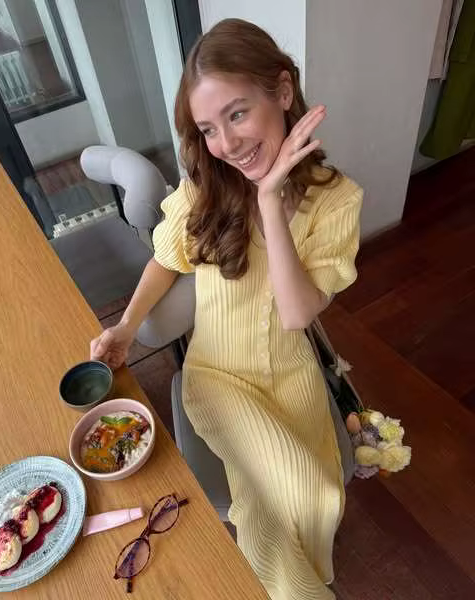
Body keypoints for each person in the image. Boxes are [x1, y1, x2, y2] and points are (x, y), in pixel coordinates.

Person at [90, 18, 362, 600]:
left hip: (292, 377)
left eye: (237, 114)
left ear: (282, 92)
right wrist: (126, 327)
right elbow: (165, 260)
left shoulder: (338, 201)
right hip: (217, 376)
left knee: (318, 498)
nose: (227, 144)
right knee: (296, 494)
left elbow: (297, 314)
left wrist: (270, 199)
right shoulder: (205, 189)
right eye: (209, 129)